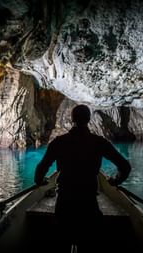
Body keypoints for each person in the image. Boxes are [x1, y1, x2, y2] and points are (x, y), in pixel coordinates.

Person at [34, 104, 131, 252]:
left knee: (62, 240)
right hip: (88, 202)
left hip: (65, 202)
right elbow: (125, 167)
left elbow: (40, 170)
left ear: (72, 119)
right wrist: (115, 181)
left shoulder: (59, 142)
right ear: (88, 119)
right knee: (89, 243)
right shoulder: (99, 142)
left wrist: (41, 181)